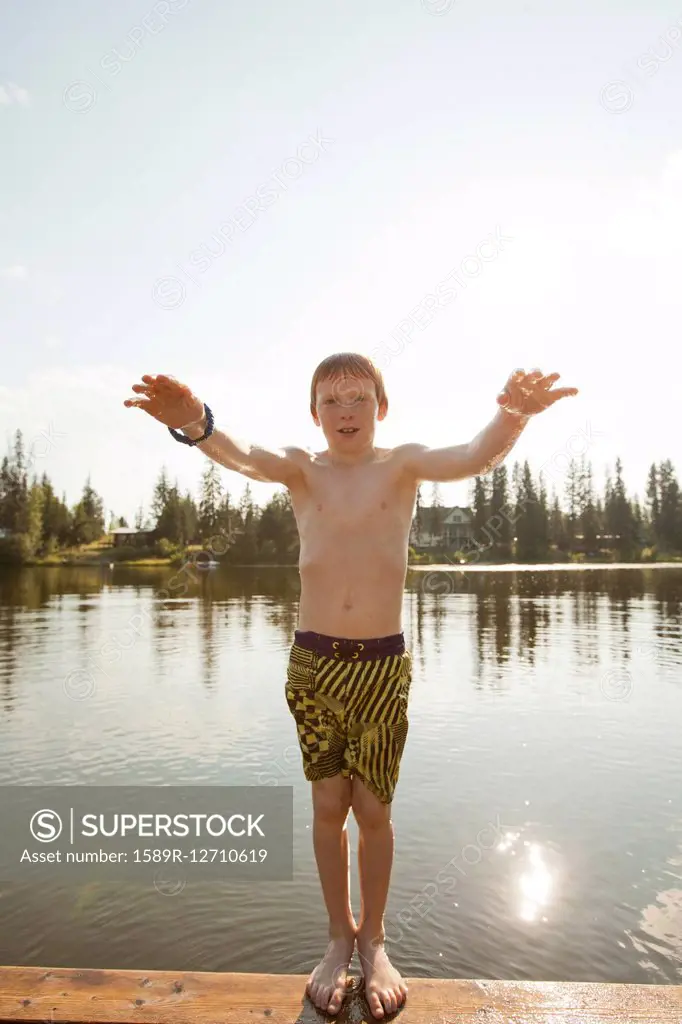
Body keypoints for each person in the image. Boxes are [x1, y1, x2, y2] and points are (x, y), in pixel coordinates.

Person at [124, 353, 578, 1018]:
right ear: (315, 414)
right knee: (328, 808)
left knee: (375, 813)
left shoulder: (403, 465)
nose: (345, 412)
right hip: (314, 666)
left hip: (382, 669)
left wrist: (512, 416)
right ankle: (339, 936)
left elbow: (474, 456)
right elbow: (243, 455)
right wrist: (194, 422)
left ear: (381, 408)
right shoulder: (303, 471)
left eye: (359, 399)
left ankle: (377, 941)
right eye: (331, 401)